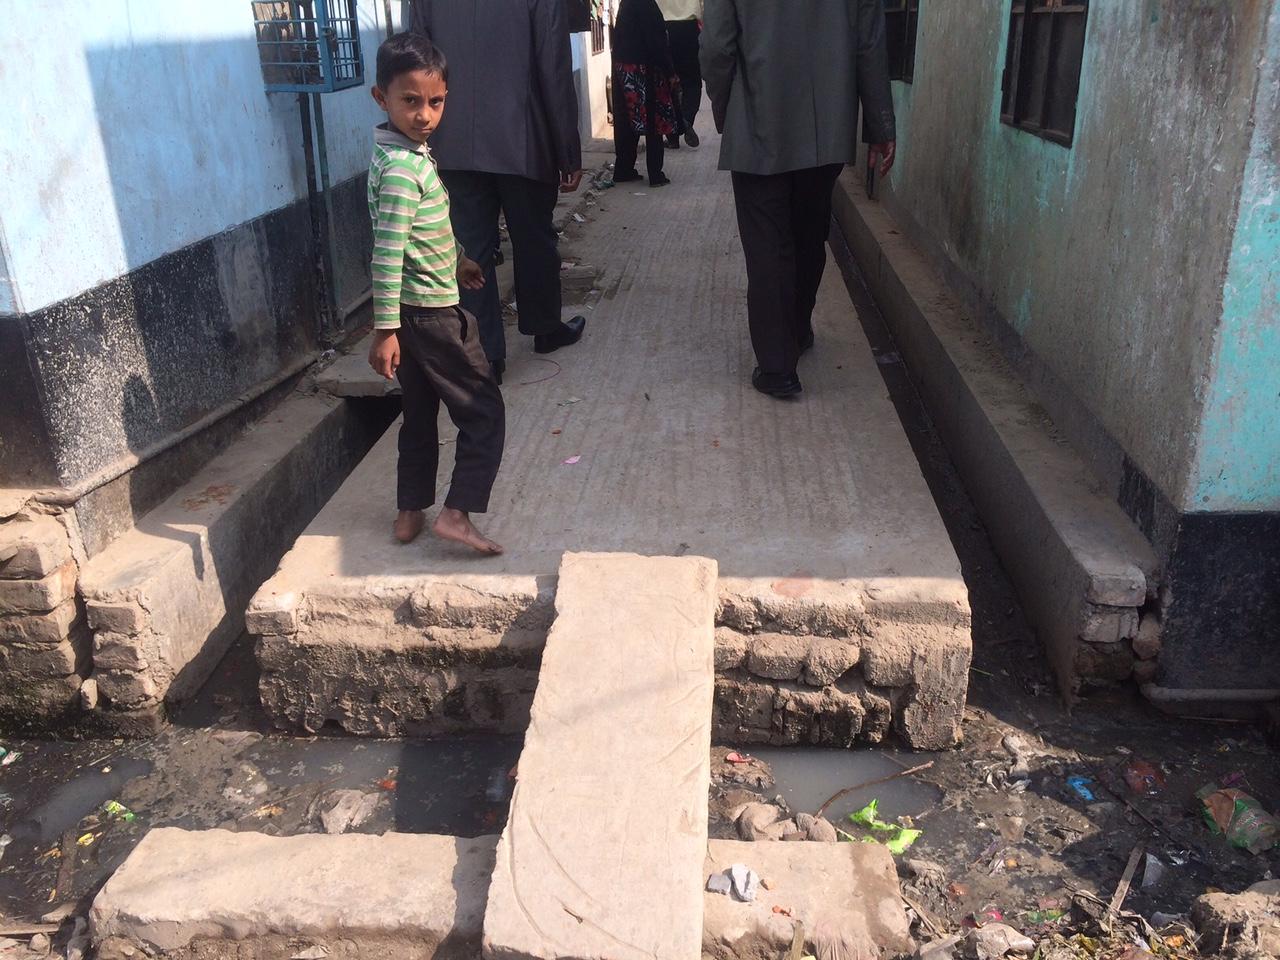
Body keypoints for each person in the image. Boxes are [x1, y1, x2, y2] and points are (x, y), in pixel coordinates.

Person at [701, 0, 897, 399]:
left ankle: (777, 368)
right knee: (809, 232)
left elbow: (717, 46)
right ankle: (797, 327)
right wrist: (880, 125)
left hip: (758, 118)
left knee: (768, 246)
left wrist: (724, 109)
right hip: (827, 126)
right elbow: (869, 43)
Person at [367, 32, 505, 555]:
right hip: (431, 316)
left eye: (435, 101)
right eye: (410, 101)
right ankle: (456, 512)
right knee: (484, 409)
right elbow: (387, 252)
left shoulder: (399, 154)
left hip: (412, 311)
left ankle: (409, 511)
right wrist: (383, 331)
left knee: (419, 412)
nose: (424, 114)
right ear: (381, 98)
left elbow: (423, 233)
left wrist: (459, 259)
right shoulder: (405, 170)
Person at [408, 0, 587, 383]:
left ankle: (485, 355)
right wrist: (567, 151)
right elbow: (553, 69)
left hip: (452, 140)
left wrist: (421, 136)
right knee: (534, 239)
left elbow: (416, 62)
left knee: (470, 247)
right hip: (523, 138)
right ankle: (544, 328)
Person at [612, 0, 680, 187]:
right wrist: (670, 71)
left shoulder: (627, 4)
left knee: (625, 120)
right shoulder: (646, 4)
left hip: (623, 66)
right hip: (645, 68)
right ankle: (655, 174)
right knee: (653, 120)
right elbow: (656, 40)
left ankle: (623, 169)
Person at [656, 0, 703, 149]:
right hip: (689, 27)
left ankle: (672, 137)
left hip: (663, 26)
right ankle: (686, 120)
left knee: (666, 81)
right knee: (692, 81)